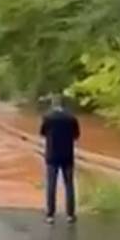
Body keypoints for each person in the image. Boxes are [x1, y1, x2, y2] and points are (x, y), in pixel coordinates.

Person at [40, 95, 80, 224]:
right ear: (64, 105)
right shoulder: (71, 117)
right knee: (69, 185)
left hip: (52, 155)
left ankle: (50, 215)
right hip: (68, 155)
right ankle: (70, 215)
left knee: (51, 185)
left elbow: (42, 133)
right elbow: (76, 135)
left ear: (53, 104)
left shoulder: (48, 117)